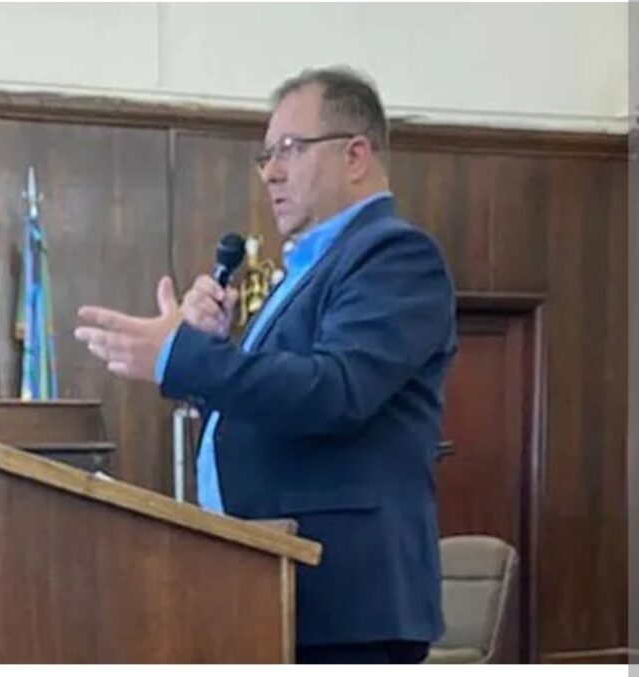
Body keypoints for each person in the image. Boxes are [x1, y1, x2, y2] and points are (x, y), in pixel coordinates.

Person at [74, 66, 456, 664]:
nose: (271, 172)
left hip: (344, 600)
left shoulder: (395, 255)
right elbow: (279, 406)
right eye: (266, 156)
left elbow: (335, 391)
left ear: (355, 155)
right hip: (273, 583)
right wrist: (211, 347)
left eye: (290, 149)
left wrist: (181, 356)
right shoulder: (305, 268)